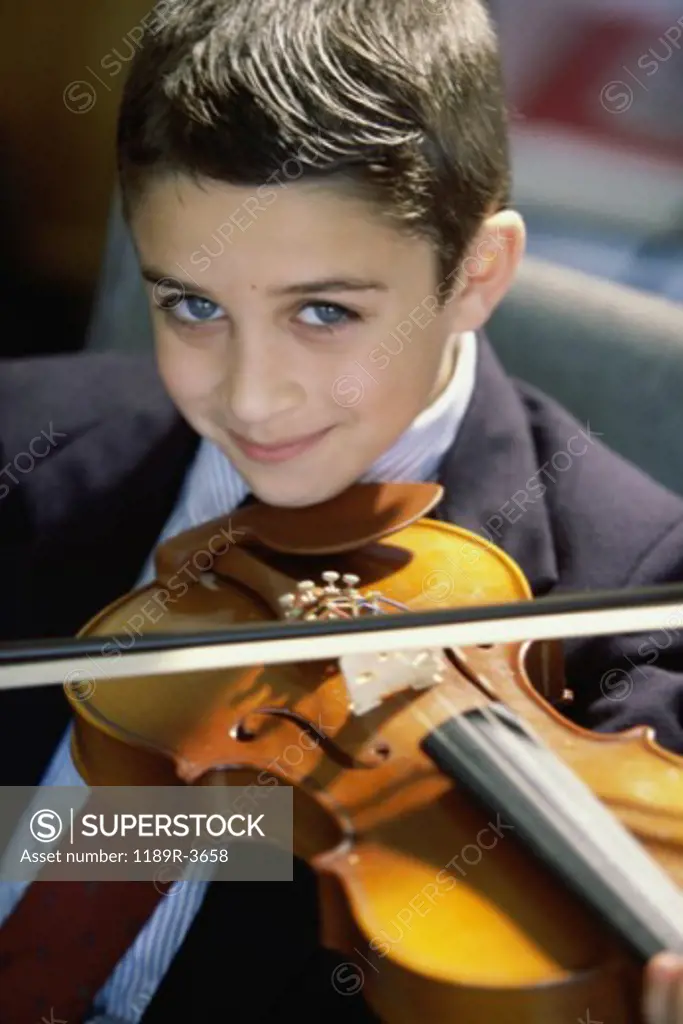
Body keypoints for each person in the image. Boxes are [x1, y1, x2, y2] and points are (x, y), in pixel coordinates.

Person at [2, 0, 683, 1020]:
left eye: (323, 312)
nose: (250, 395)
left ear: (475, 273)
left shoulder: (638, 604)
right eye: (193, 304)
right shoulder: (22, 429)